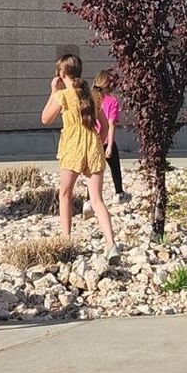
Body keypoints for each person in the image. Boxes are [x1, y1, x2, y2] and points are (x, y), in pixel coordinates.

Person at [41, 53, 120, 264]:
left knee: (65, 194)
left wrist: (53, 92)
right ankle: (111, 244)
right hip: (93, 145)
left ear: (61, 73)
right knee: (97, 199)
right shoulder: (93, 95)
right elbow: (104, 125)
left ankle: (66, 240)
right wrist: (98, 141)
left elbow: (45, 118)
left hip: (73, 147)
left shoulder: (62, 96)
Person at [93, 69, 128, 203]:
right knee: (115, 167)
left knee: (93, 170)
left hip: (93, 139)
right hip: (106, 139)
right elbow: (111, 124)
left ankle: (90, 198)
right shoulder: (112, 101)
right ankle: (119, 193)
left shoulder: (91, 99)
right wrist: (110, 145)